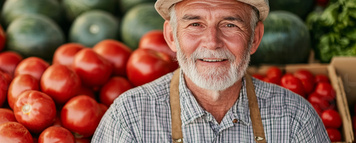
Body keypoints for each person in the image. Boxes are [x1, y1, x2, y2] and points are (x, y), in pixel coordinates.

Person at [92, 0, 330, 142]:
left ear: (255, 38)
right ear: (172, 37)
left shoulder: (296, 120)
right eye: (195, 24)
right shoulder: (129, 120)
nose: (212, 42)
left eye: (229, 24)